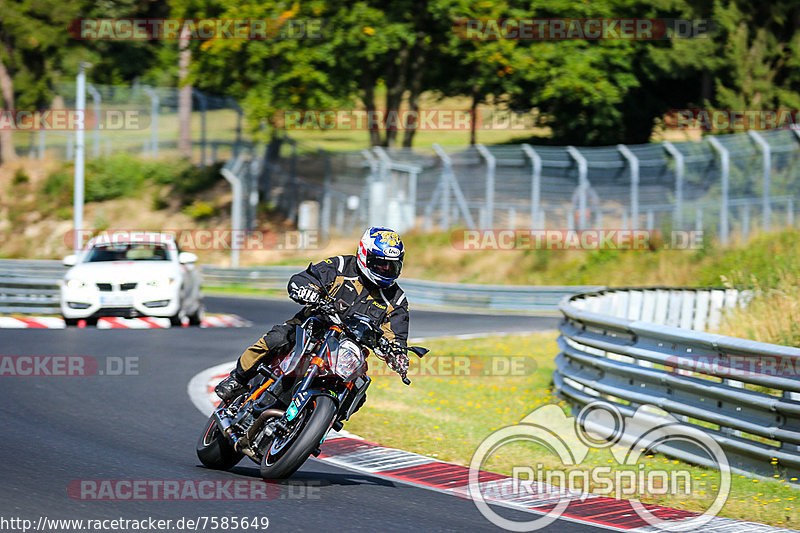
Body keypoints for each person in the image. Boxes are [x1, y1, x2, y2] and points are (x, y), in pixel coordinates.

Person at [215, 226, 411, 401]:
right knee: (277, 338)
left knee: (359, 389)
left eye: (391, 265)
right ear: (364, 255)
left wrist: (398, 355)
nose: (386, 269)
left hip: (348, 352)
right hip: (312, 329)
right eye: (380, 263)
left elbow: (397, 336)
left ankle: (324, 423)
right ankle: (237, 379)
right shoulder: (341, 266)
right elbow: (304, 278)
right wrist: (306, 289)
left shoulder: (397, 299)